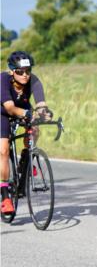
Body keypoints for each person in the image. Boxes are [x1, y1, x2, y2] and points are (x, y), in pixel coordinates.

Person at [2, 51, 51, 216]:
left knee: (34, 129)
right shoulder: (2, 80)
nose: (25, 75)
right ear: (12, 71)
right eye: (20, 72)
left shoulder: (33, 80)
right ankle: (5, 196)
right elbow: (9, 108)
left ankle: (26, 159)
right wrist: (28, 114)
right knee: (3, 149)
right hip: (2, 112)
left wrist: (44, 112)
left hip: (23, 109)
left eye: (28, 71)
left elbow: (40, 103)